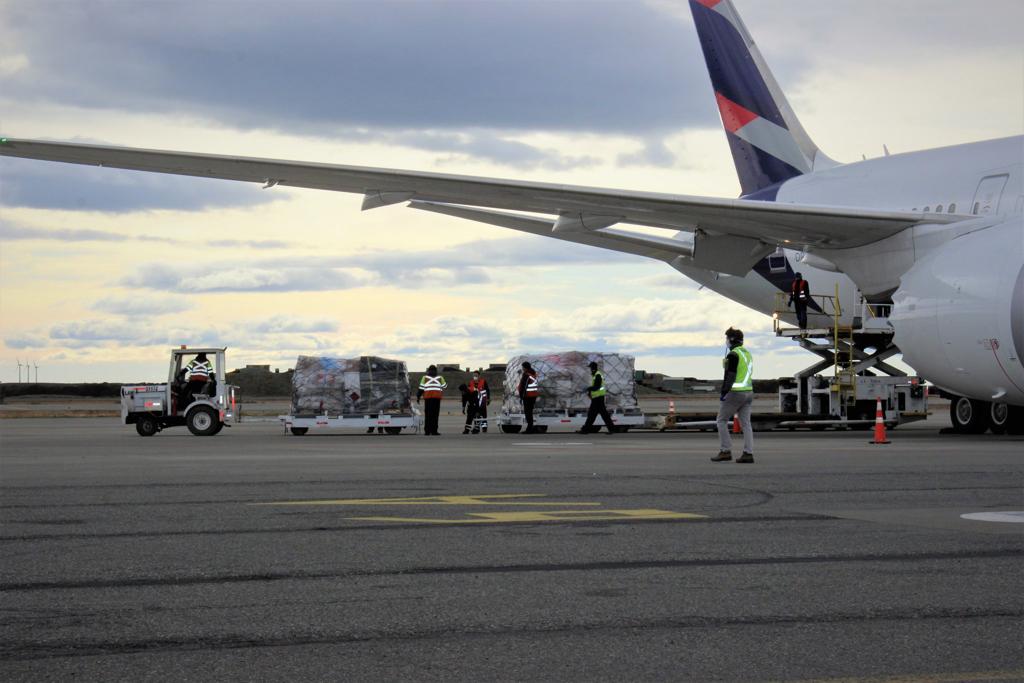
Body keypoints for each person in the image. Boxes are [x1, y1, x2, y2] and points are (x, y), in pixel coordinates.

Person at [712, 327, 754, 463]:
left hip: (735, 393)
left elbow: (730, 376)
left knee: (721, 420)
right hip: (748, 392)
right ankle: (748, 453)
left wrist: (724, 392)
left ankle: (725, 450)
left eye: (726, 339)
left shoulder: (733, 355)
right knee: (746, 424)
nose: (726, 342)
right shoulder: (747, 354)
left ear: (731, 339)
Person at [579, 361, 615, 435]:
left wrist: (588, 388)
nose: (590, 369)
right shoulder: (596, 375)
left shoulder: (598, 375)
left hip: (598, 398)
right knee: (594, 415)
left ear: (593, 368)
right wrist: (589, 391)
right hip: (597, 398)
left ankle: (585, 430)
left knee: (594, 415)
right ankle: (585, 430)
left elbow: (597, 387)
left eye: (590, 368)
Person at [417, 365, 447, 436]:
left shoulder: (424, 378)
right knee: (435, 415)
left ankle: (427, 431)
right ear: (436, 371)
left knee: (428, 415)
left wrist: (418, 397)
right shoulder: (440, 377)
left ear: (428, 371)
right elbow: (445, 386)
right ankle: (434, 431)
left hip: (428, 399)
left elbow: (421, 388)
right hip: (436, 398)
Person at [518, 361, 540, 433]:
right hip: (533, 395)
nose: (522, 369)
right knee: (529, 412)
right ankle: (530, 427)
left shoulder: (527, 375)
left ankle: (529, 428)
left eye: (523, 367)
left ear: (525, 368)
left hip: (528, 396)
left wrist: (521, 397)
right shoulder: (533, 374)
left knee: (528, 412)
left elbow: (524, 387)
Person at [468, 369, 489, 434]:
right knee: (476, 415)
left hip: (482, 401)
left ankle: (484, 428)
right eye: (474, 375)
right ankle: (477, 428)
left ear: (479, 376)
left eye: (476, 375)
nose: (475, 377)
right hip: (475, 402)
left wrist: (488, 399)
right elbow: (468, 391)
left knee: (483, 415)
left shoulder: (483, 381)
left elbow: (487, 390)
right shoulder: (471, 382)